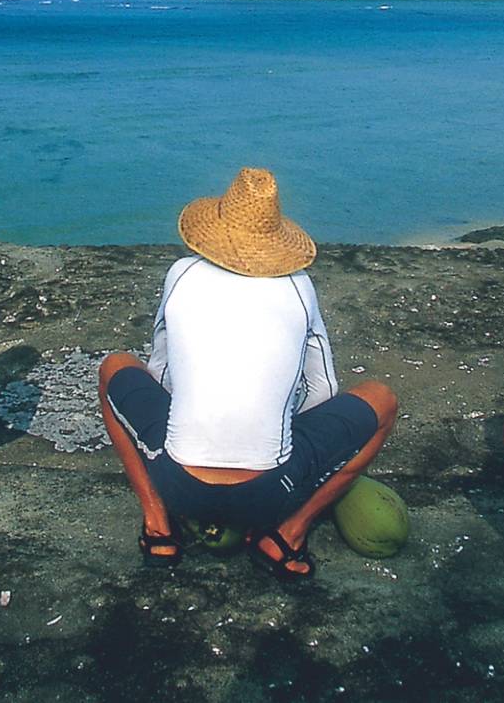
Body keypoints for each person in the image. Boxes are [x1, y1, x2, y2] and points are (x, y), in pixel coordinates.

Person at [97, 167, 398, 578]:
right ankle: (288, 535)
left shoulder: (181, 273)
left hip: (177, 483)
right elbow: (323, 388)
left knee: (114, 366)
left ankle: (158, 524)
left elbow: (161, 370)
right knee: (382, 399)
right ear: (276, 237)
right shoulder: (298, 285)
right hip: (271, 494)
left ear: (214, 227)